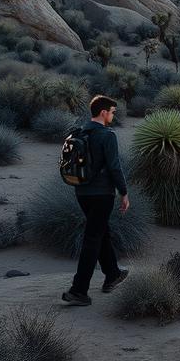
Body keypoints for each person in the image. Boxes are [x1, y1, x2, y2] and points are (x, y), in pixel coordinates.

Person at [62, 95, 130, 306]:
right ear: (103, 112)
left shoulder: (79, 132)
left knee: (101, 233)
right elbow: (114, 167)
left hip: (81, 192)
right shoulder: (107, 135)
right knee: (93, 238)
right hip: (102, 194)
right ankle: (79, 290)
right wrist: (124, 192)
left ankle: (112, 275)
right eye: (112, 112)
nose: (112, 116)